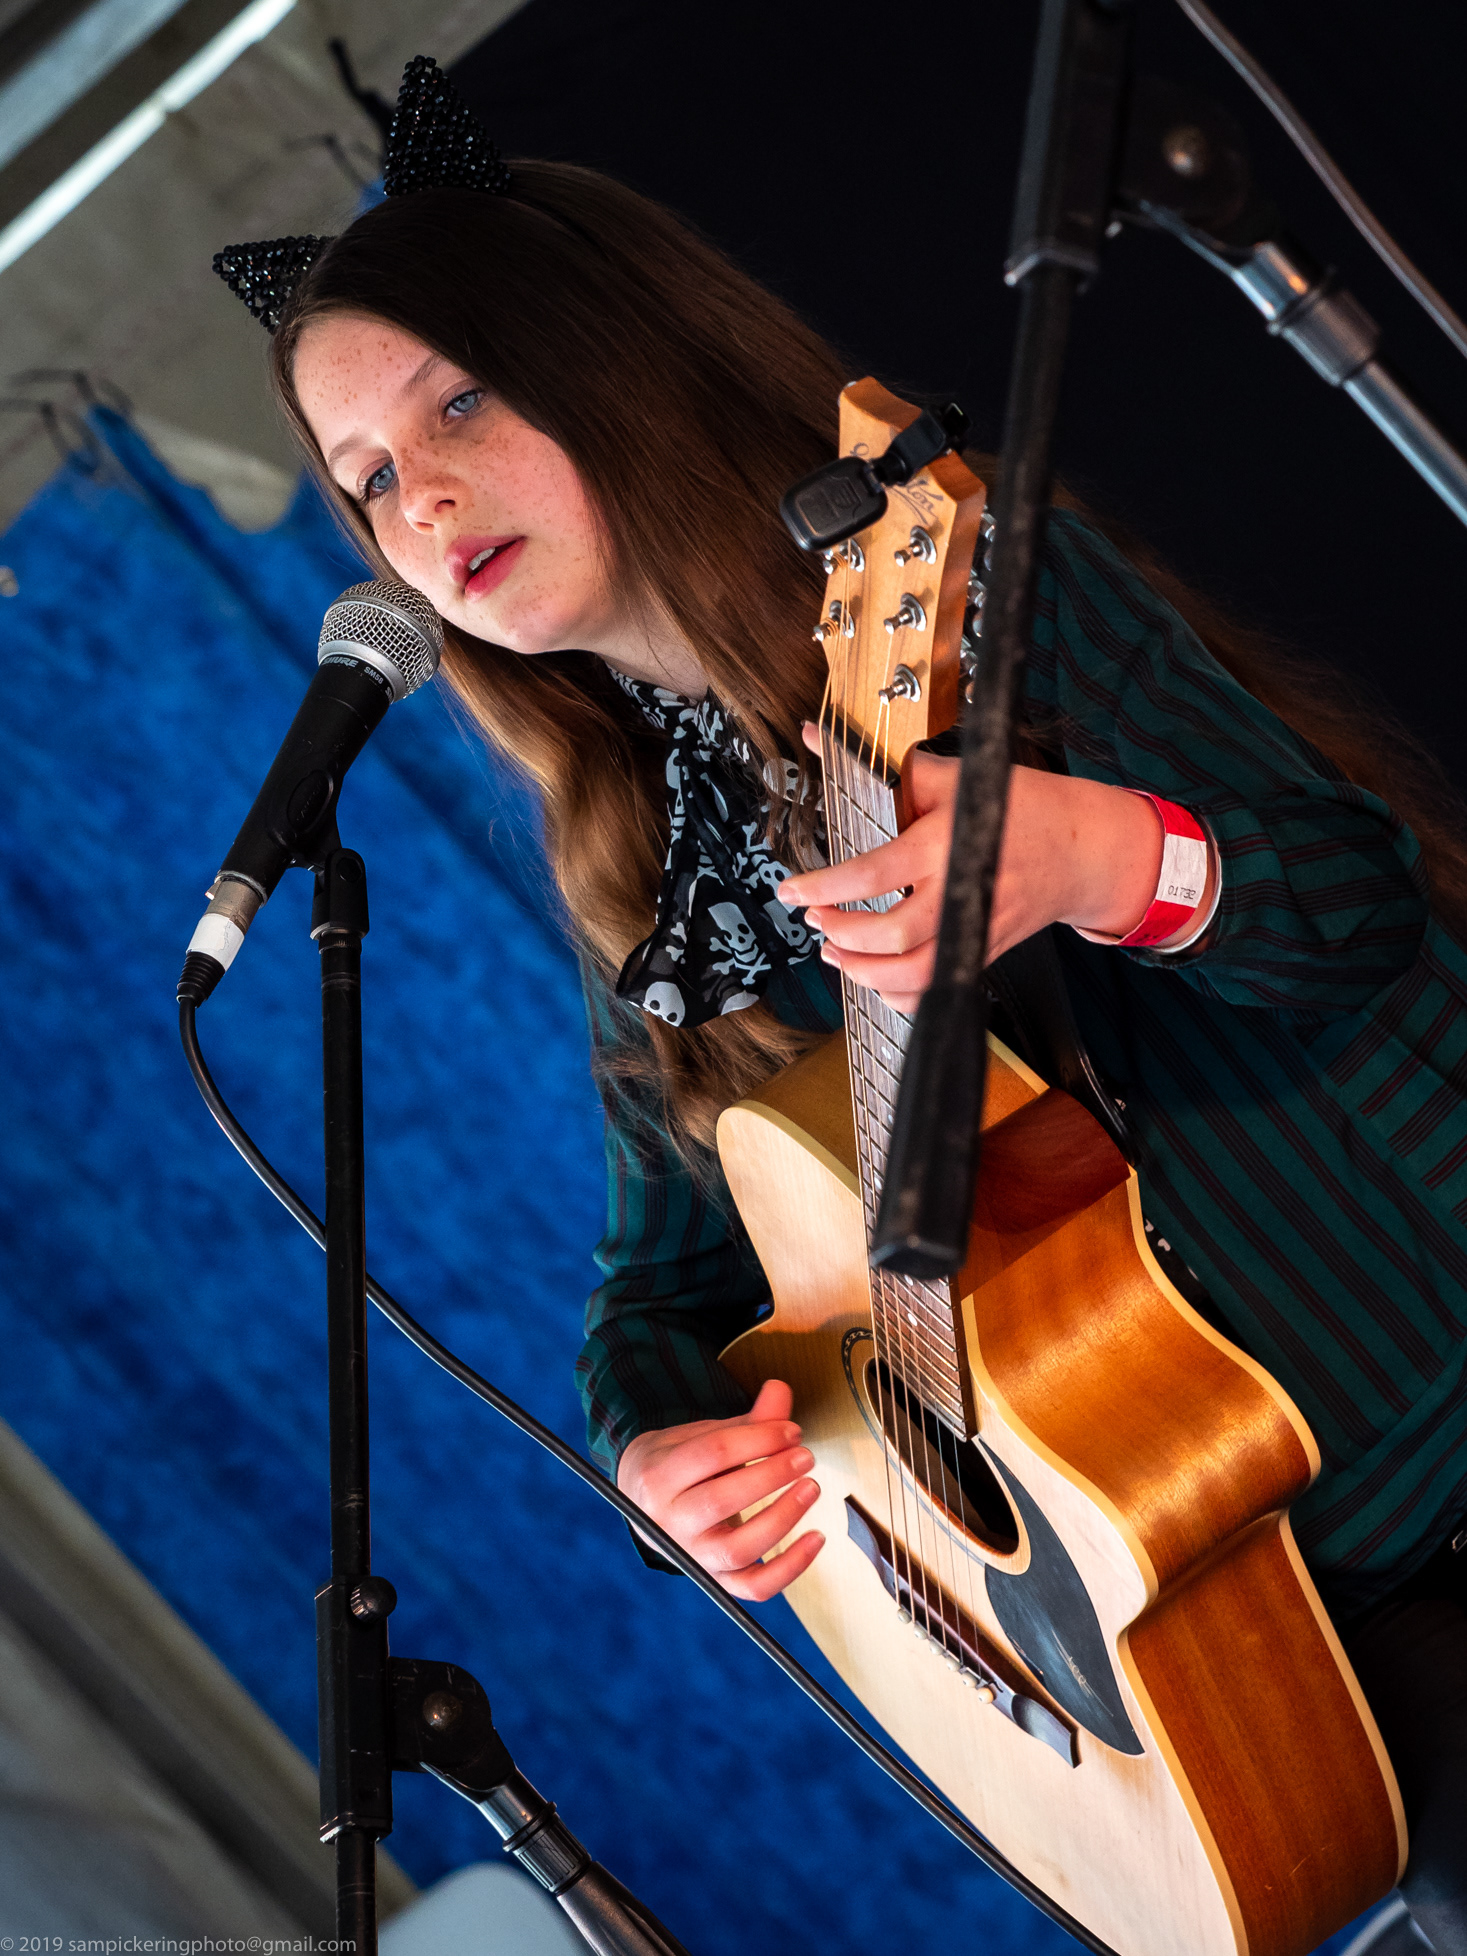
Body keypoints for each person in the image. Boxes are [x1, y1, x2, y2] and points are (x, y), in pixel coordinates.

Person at [254, 148, 1467, 1952]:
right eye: (365, 481)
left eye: (461, 399)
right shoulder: (646, 869)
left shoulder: (958, 604)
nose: (418, 496)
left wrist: (1108, 863)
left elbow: (1356, 909)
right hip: (1263, 1613)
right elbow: (655, 1293)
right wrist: (663, 1456)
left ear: (614, 351)